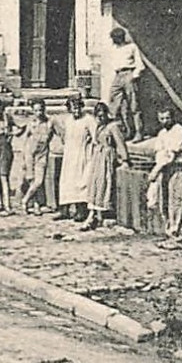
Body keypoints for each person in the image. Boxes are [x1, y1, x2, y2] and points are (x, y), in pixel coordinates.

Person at [146, 107, 182, 239]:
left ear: (173, 117)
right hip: (164, 170)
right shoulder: (162, 133)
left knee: (177, 200)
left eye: (167, 118)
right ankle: (169, 230)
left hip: (176, 168)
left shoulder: (179, 131)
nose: (165, 121)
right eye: (162, 118)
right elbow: (160, 153)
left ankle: (177, 232)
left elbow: (171, 154)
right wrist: (158, 167)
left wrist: (156, 170)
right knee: (164, 200)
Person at [83, 101, 128, 230]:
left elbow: (120, 143)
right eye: (98, 116)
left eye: (103, 115)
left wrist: (125, 159)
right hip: (97, 157)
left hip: (107, 157)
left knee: (104, 184)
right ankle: (96, 215)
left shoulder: (112, 127)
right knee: (94, 185)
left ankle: (94, 216)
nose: (100, 118)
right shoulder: (98, 127)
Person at [58, 96, 99, 222]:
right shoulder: (68, 120)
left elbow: (95, 138)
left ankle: (81, 211)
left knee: (81, 182)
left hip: (83, 155)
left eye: (77, 108)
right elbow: (64, 137)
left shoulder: (89, 120)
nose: (76, 111)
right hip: (70, 155)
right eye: (73, 109)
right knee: (67, 181)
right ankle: (64, 210)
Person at [15, 99, 56, 214]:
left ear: (44, 109)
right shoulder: (31, 123)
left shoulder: (50, 122)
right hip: (30, 154)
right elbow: (25, 139)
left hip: (42, 154)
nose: (39, 113)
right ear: (33, 111)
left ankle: (25, 200)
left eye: (41, 110)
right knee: (31, 180)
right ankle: (36, 205)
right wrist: (24, 157)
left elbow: (61, 133)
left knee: (39, 181)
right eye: (36, 110)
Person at [106, 27, 145, 142]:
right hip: (117, 76)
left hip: (129, 73)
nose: (114, 40)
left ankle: (139, 132)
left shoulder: (132, 47)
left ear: (121, 37)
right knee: (115, 104)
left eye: (115, 38)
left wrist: (133, 76)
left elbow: (140, 65)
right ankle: (127, 131)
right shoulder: (113, 49)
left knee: (134, 105)